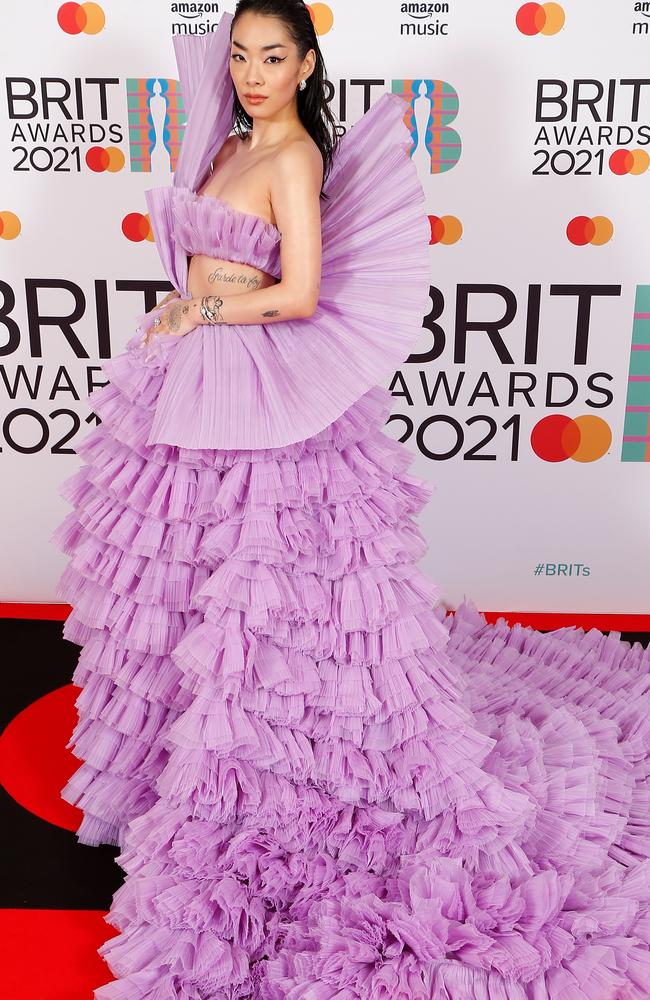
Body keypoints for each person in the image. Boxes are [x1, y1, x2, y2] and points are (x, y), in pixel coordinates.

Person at [51, 1, 650, 996]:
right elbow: (216, 258)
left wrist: (205, 305)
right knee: (178, 582)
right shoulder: (229, 141)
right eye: (240, 54)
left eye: (272, 56)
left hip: (254, 385)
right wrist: (182, 309)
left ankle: (253, 766)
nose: (250, 72)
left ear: (306, 62)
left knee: (260, 601)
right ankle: (168, 756)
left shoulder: (292, 161)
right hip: (189, 376)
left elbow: (296, 294)